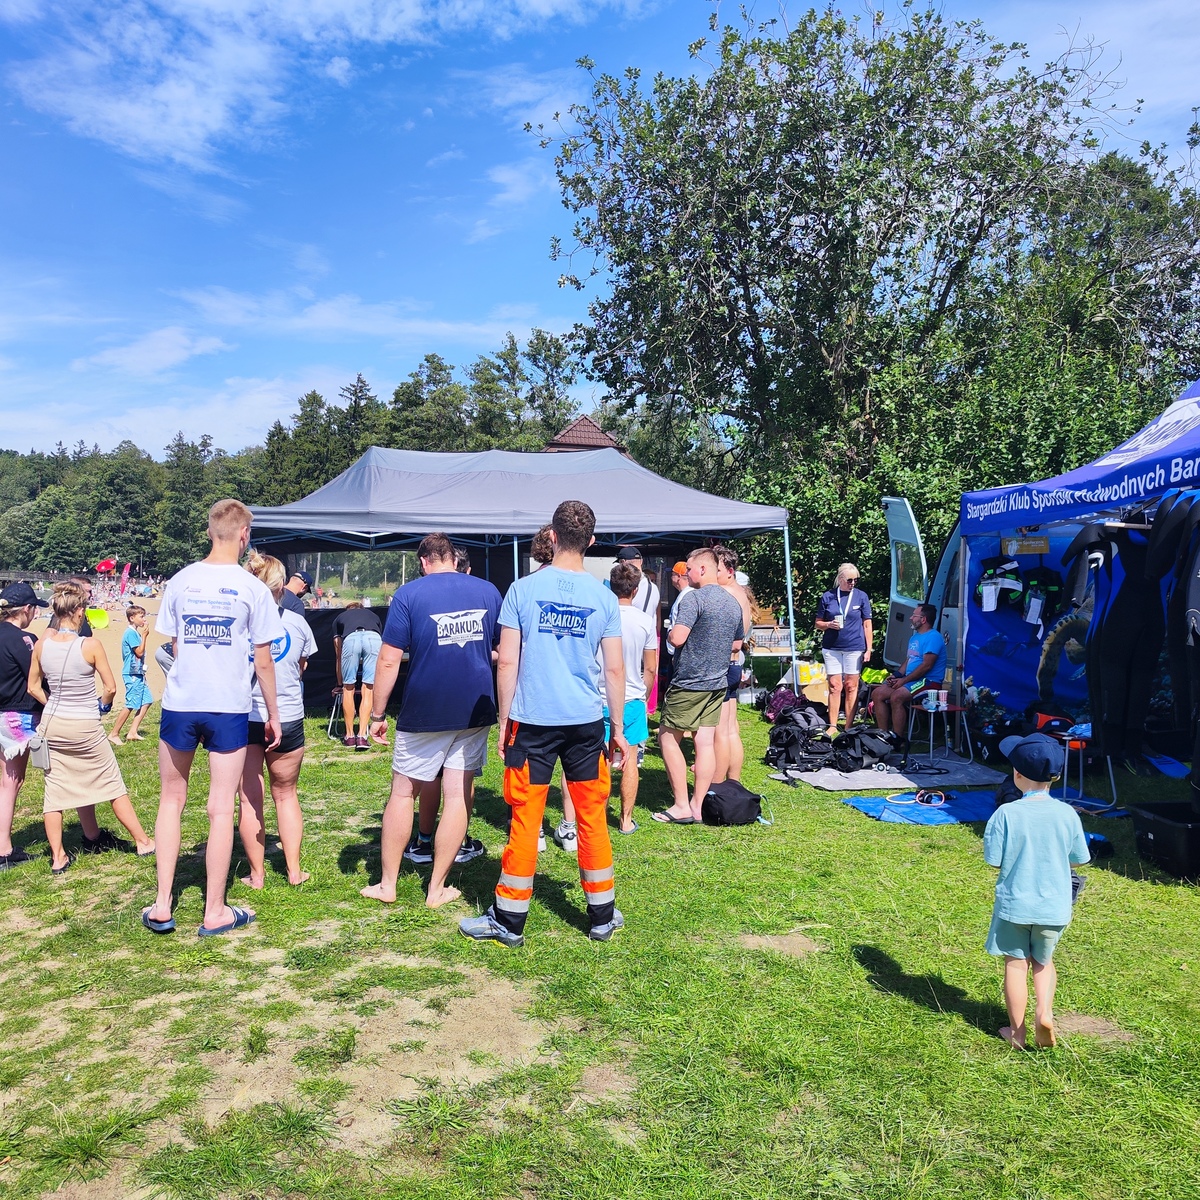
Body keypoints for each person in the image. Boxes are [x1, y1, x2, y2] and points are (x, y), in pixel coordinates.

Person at [460, 500, 628, 946]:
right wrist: (618, 728)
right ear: (591, 542)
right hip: (586, 723)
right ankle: (602, 916)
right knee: (591, 817)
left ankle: (509, 920)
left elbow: (507, 661)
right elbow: (615, 670)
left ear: (552, 536)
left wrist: (504, 720)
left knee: (526, 819)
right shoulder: (604, 597)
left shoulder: (522, 590)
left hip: (531, 722)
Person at [142, 498, 284, 937]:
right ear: (245, 536)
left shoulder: (181, 580)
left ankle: (163, 903)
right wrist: (273, 714)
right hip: (228, 707)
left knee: (171, 800)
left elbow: (175, 645)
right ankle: (215, 910)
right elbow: (264, 660)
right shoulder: (252, 588)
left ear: (209, 532)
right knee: (221, 807)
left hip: (181, 703)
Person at [361, 532, 503, 909]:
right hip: (475, 706)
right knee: (457, 794)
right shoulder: (488, 591)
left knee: (403, 792)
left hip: (425, 708)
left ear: (424, 562)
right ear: (454, 559)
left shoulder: (408, 594)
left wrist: (377, 714)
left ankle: (388, 885)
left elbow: (388, 660)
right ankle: (436, 888)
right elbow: (501, 651)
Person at [27, 583, 155, 872]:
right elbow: (110, 688)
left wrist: (53, 702)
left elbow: (33, 686)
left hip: (53, 723)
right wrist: (101, 706)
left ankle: (58, 857)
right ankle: (143, 841)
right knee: (111, 783)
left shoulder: (43, 644)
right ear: (79, 612)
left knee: (55, 790)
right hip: (84, 722)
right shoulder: (89, 645)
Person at [983, 733, 1090, 1049]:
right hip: (1054, 907)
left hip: (1015, 906)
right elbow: (1079, 858)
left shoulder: (1006, 814)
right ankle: (1044, 1012)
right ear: (1055, 777)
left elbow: (993, 859)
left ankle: (1017, 1034)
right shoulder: (1067, 814)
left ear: (1016, 774)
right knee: (1043, 962)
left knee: (1015, 963)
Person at [237, 552, 316, 889]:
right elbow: (300, 668)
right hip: (287, 713)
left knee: (249, 798)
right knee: (286, 795)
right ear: (282, 585)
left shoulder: (237, 626)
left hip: (245, 715)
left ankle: (257, 875)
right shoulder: (297, 624)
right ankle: (294, 871)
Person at [656, 548, 744, 824]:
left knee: (667, 737)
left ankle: (682, 805)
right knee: (704, 742)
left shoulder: (693, 598)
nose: (687, 573)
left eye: (690, 568)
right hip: (717, 681)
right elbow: (737, 643)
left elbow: (678, 638)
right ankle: (697, 805)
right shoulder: (732, 602)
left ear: (703, 569)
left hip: (689, 681)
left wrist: (670, 632)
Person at [603, 560, 657, 834]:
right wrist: (643, 695)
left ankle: (598, 817)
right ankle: (625, 820)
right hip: (633, 697)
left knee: (601, 759)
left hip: (600, 697)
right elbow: (651, 668)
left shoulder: (602, 616)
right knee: (631, 759)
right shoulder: (645, 621)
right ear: (635, 590)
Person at [0, 582, 48, 870]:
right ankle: (4, 849)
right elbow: (37, 678)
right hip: (17, 716)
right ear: (27, 609)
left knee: (5, 779)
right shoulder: (25, 639)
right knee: (12, 780)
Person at [815, 563, 874, 737]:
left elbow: (867, 624)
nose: (853, 583)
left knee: (851, 686)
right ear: (840, 579)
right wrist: (828, 624)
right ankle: (832, 725)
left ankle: (848, 726)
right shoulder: (828, 596)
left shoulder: (861, 596)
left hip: (854, 647)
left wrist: (869, 649)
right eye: (849, 580)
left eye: (856, 580)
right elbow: (818, 623)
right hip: (832, 648)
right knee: (834, 686)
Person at [872, 603, 946, 736]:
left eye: (914, 615)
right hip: (911, 680)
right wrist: (896, 675)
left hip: (928, 681)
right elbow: (909, 660)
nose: (911, 618)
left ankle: (897, 739)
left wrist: (903, 681)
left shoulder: (933, 637)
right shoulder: (914, 637)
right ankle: (883, 735)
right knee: (877, 693)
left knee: (897, 697)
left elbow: (927, 666)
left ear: (923, 619)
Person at [713, 545, 753, 784]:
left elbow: (734, 642)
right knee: (729, 729)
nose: (712, 575)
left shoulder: (728, 593)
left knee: (719, 731)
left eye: (716, 570)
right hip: (734, 666)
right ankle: (733, 782)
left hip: (725, 664)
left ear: (729, 571)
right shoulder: (740, 592)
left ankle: (717, 784)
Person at [333, 600, 383, 749]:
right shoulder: (373, 615)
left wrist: (339, 684)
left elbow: (338, 655)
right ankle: (362, 736)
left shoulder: (340, 618)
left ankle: (349, 736)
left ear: (348, 610)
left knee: (348, 688)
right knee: (368, 688)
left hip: (351, 638)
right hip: (374, 638)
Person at [110, 605, 152, 744]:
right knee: (131, 703)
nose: (144, 619)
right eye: (141, 616)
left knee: (146, 700)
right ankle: (114, 733)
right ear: (132, 618)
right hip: (131, 673)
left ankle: (132, 732)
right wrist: (144, 636)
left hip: (138, 672)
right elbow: (139, 652)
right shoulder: (130, 633)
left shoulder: (135, 633)